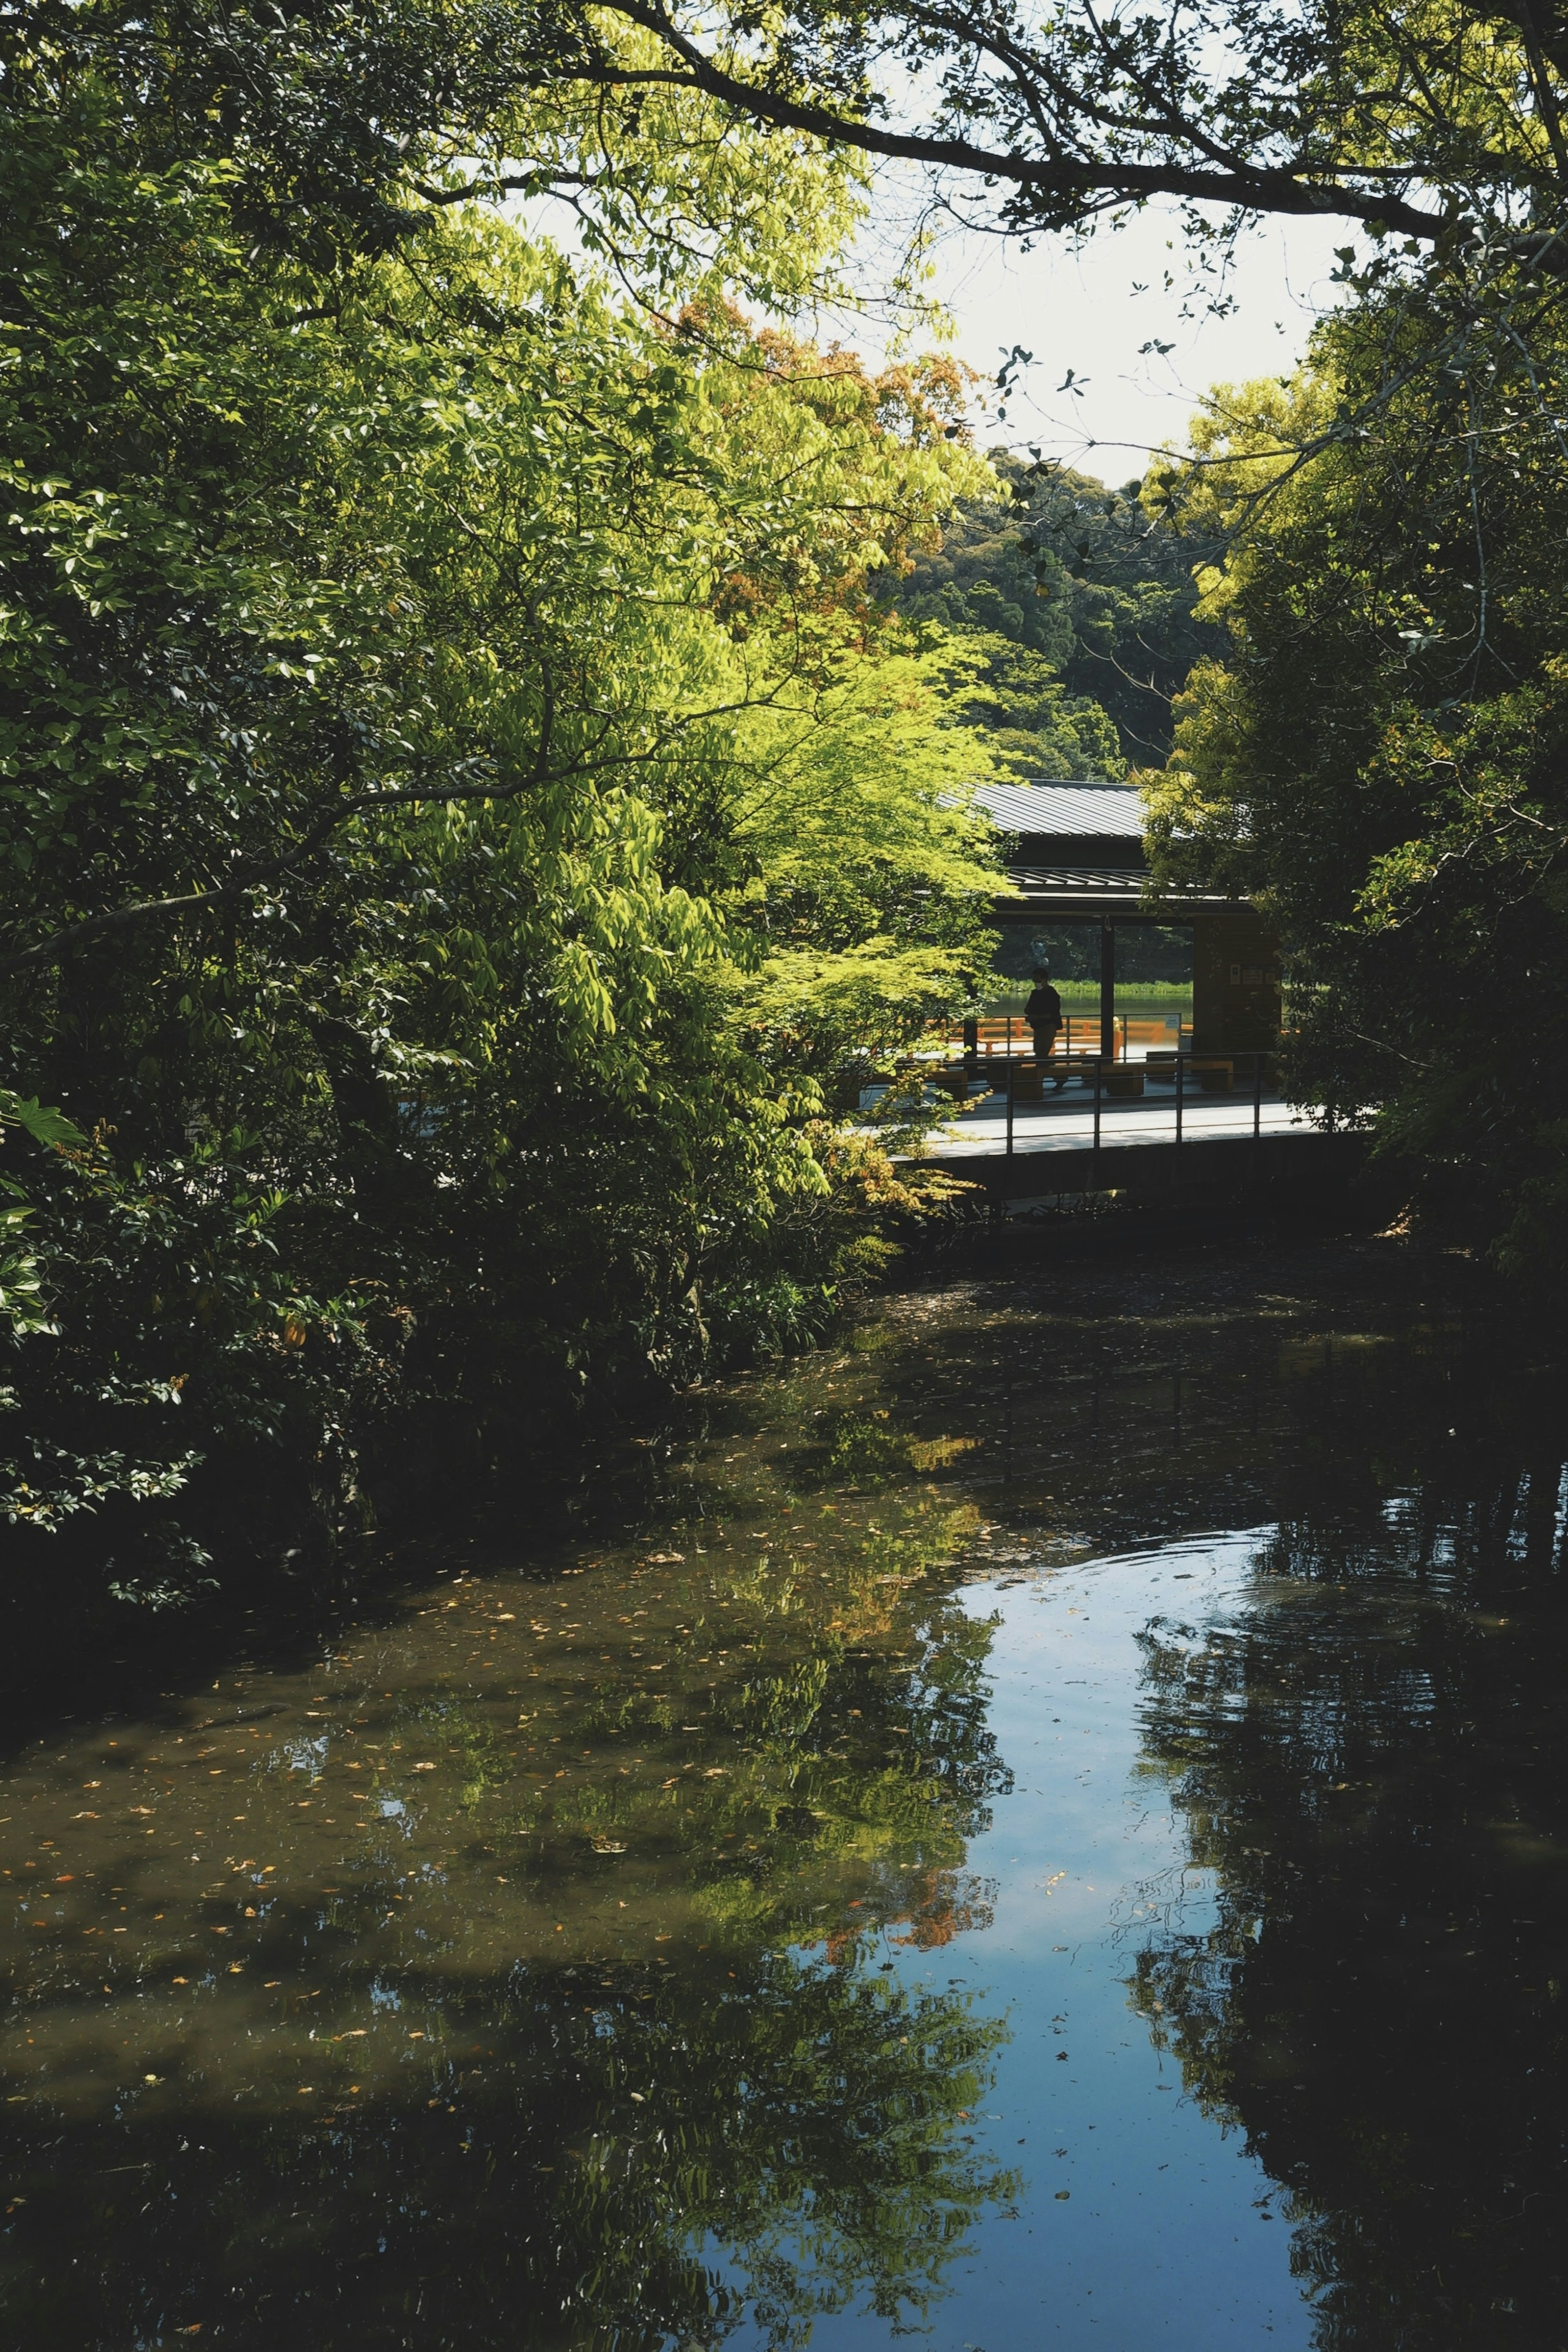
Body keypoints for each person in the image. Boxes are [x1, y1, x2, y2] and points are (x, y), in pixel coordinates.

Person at [1023, 968, 1067, 1088]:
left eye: (1037, 980)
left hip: (1049, 1026)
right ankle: (1059, 1077)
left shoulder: (1052, 994)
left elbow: (1054, 1013)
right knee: (1038, 1052)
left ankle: (1038, 1080)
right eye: (1034, 981)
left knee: (1042, 1054)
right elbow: (1028, 1007)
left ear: (1045, 980)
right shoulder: (1035, 993)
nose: (1036, 983)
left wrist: (1038, 1016)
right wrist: (1029, 1012)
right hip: (1037, 1027)